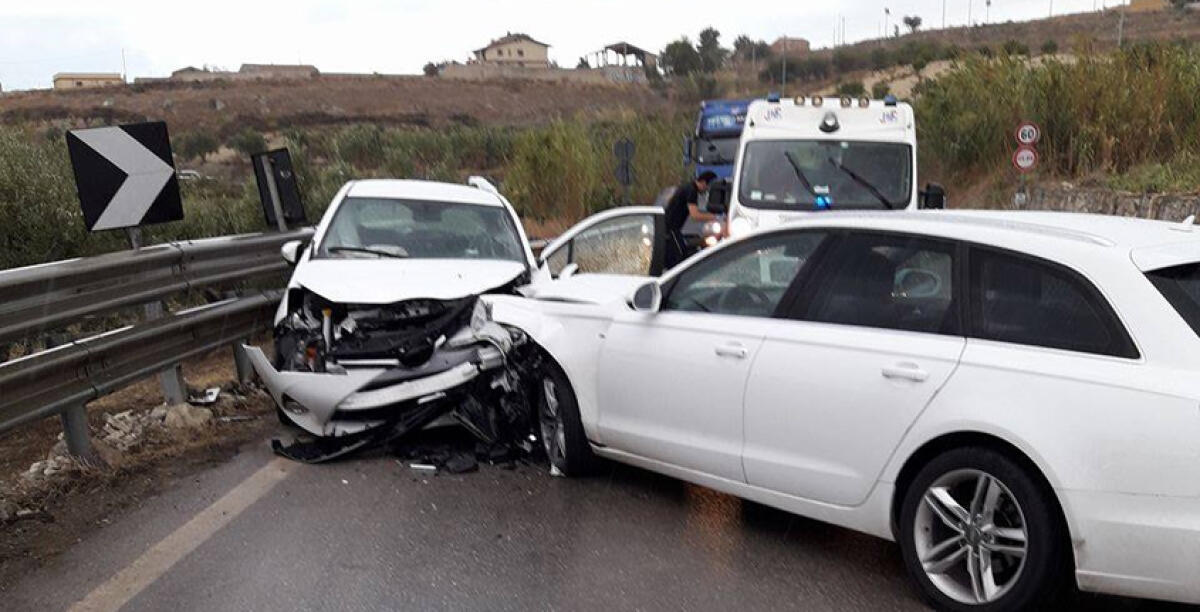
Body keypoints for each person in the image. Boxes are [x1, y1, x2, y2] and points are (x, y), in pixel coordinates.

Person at [664, 171, 719, 269]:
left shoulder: (688, 187)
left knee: (680, 253)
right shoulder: (692, 191)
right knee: (679, 255)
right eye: (707, 187)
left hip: (673, 228)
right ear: (703, 182)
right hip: (670, 229)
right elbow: (695, 215)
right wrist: (713, 217)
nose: (707, 190)